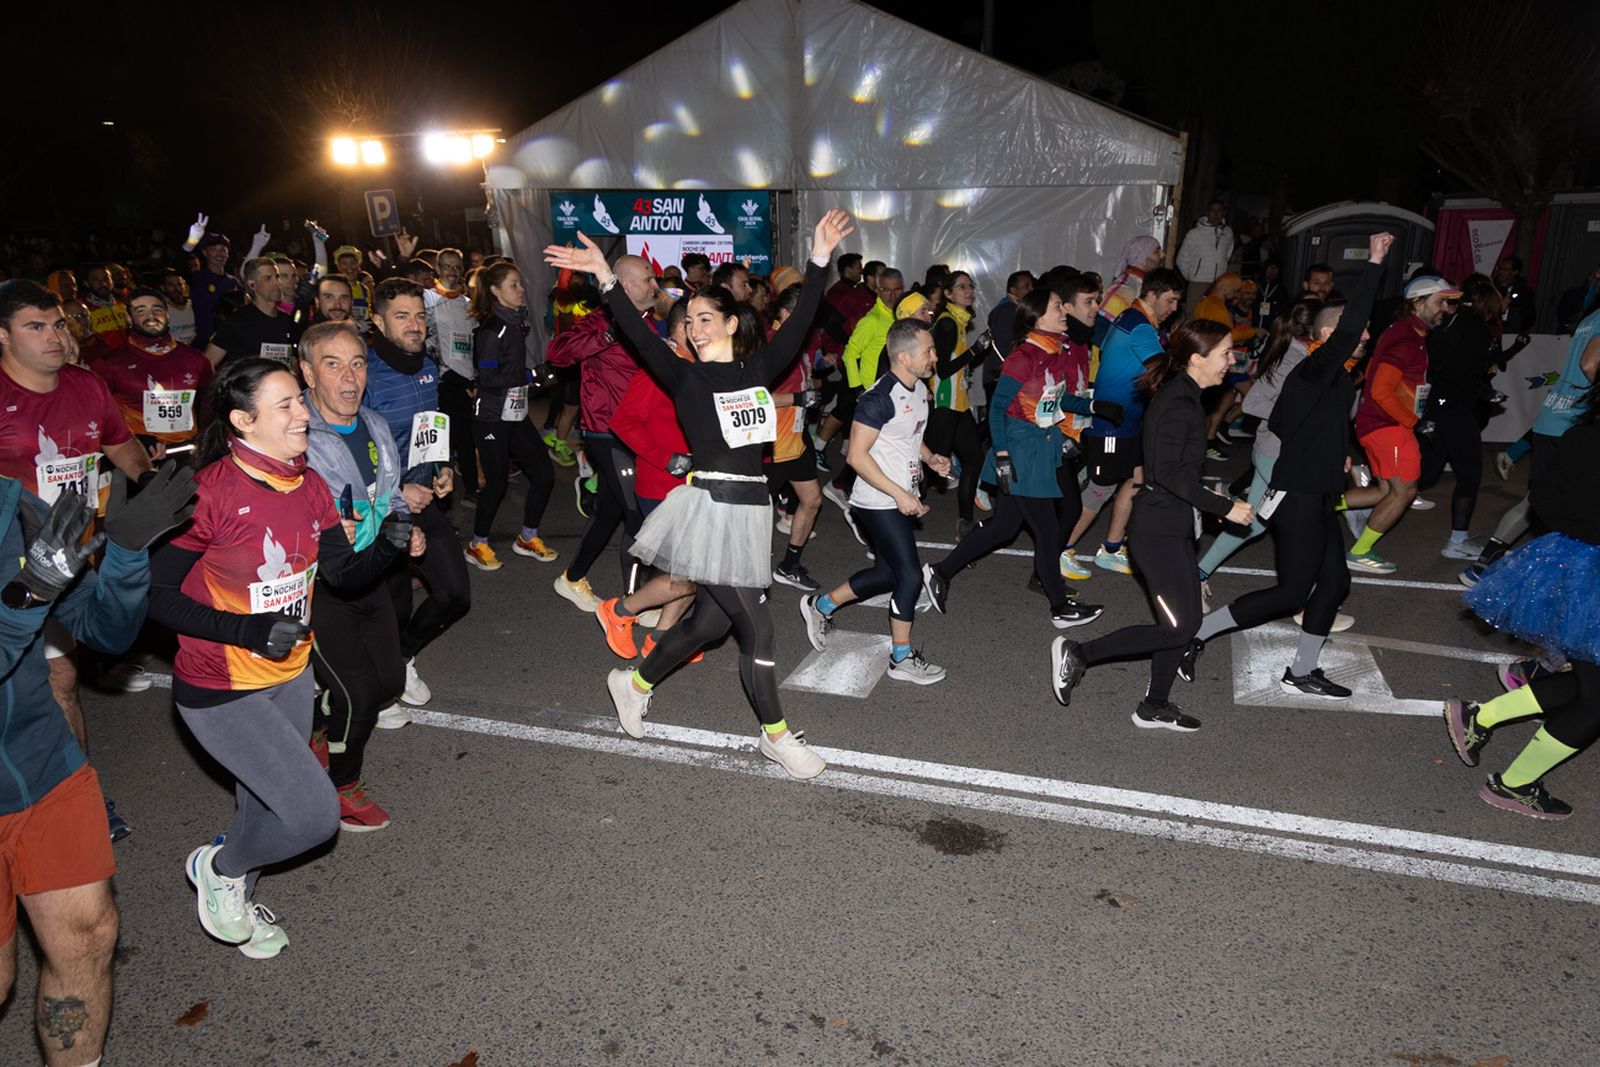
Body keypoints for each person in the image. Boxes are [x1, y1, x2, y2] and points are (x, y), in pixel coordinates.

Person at [544, 210, 856, 780]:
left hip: (751, 509)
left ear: (734, 324)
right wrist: (603, 277)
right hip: (710, 507)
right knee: (757, 627)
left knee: (708, 624)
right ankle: (777, 736)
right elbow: (638, 334)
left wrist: (817, 261)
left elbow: (801, 320)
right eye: (690, 320)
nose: (697, 326)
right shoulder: (684, 376)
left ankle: (632, 683)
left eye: (709, 317)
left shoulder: (759, 368)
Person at [149, 359, 411, 958]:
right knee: (312, 816)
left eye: (300, 400)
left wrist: (385, 553)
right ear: (243, 421)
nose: (303, 414)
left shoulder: (310, 483)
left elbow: (340, 574)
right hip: (220, 686)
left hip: (290, 674)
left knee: (261, 799)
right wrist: (245, 629)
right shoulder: (208, 491)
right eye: (288, 405)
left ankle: (235, 889)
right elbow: (154, 596)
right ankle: (219, 867)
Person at [0, 459, 193, 1066]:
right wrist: (26, 597)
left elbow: (104, 631)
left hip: (40, 761)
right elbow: (26, 604)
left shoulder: (12, 505)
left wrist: (128, 556)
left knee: (87, 936)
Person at [1180, 234, 1395, 702]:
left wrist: (1335, 453)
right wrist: (1374, 262)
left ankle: (1302, 669)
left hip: (1318, 491)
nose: (1365, 335)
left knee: (1335, 581)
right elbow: (1349, 326)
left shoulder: (1331, 376)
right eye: (1356, 332)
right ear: (1327, 336)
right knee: (1292, 592)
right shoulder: (1315, 368)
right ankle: (1194, 634)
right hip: (1297, 493)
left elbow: (1287, 419)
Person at [0, 279, 156, 838]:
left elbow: (119, 444)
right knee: (44, 681)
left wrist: (150, 483)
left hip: (72, 564)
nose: (53, 336)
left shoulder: (87, 386)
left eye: (58, 324)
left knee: (59, 679)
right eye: (35, 327)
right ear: (2, 335)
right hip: (11, 569)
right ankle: (62, 799)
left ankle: (76, 795)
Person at [1051, 320, 1251, 730]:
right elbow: (1168, 474)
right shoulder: (1179, 402)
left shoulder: (1186, 395)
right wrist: (1223, 506)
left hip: (1173, 524)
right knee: (1178, 628)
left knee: (1183, 624)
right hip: (1156, 529)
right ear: (1197, 358)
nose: (1231, 362)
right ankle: (1078, 653)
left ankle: (1154, 706)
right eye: (1225, 354)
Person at [1445, 378, 1600, 819]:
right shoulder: (1583, 436)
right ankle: (1514, 783)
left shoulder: (1580, 434)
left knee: (1588, 683)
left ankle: (1482, 717)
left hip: (1571, 565)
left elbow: (1544, 500)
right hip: (1591, 577)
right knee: (1595, 698)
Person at [299, 322, 426, 832]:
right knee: (355, 690)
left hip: (372, 572)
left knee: (389, 681)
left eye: (357, 363)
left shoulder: (373, 424)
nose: (349, 377)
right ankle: (342, 787)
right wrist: (326, 526)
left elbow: (388, 494)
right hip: (321, 584)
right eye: (333, 364)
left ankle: (317, 730)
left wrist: (405, 527)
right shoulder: (294, 433)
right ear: (307, 372)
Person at [921, 287, 1109, 629]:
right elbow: (996, 411)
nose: (1063, 312)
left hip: (1042, 448)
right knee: (1048, 530)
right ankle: (1059, 606)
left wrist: (1094, 406)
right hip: (1021, 454)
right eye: (1056, 306)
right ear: (1037, 317)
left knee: (1004, 528)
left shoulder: (1053, 353)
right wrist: (1004, 456)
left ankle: (939, 571)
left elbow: (1057, 401)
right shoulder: (1024, 357)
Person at [800, 318, 950, 683]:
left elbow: (908, 434)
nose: (934, 356)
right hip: (876, 500)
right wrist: (899, 495)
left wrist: (930, 458)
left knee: (886, 573)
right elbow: (855, 456)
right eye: (927, 351)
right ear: (903, 356)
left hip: (899, 494)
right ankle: (900, 658)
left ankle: (820, 606)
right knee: (910, 576)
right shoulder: (877, 399)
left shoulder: (916, 388)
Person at [361, 277, 473, 721]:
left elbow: (430, 425)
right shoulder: (363, 373)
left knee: (455, 596)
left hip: (424, 500)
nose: (414, 325)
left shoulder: (428, 364)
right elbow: (347, 450)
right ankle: (382, 690)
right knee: (392, 605)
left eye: (419, 316)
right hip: (380, 508)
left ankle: (400, 658)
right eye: (401, 316)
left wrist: (442, 467)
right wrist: (393, 493)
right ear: (377, 320)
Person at [546, 255, 658, 612]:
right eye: (648, 279)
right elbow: (558, 353)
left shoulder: (649, 322)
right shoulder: (600, 321)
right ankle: (633, 604)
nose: (655, 286)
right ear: (624, 285)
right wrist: (607, 336)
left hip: (638, 432)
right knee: (636, 515)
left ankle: (572, 578)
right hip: (606, 432)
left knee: (610, 513)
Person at [1462, 306, 1600, 586]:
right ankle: (1552, 579)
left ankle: (1483, 564)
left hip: (1554, 416)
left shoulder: (1591, 316)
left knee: (1538, 500)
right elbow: (1589, 364)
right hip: (1577, 421)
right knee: (1573, 510)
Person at [1065, 267, 1186, 576]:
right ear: (1153, 294)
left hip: (1128, 421)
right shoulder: (1141, 328)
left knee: (1137, 480)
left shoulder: (1134, 317)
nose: (1174, 309)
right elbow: (1162, 372)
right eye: (1171, 301)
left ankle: (1111, 548)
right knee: (1099, 490)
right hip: (1112, 425)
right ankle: (1060, 550)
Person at [597, 297, 699, 660]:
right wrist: (665, 458)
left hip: (694, 487)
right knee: (684, 576)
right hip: (662, 486)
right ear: (682, 327)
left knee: (693, 574)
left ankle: (661, 638)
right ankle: (619, 611)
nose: (709, 330)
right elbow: (623, 423)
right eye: (700, 322)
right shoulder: (660, 369)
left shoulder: (696, 366)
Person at [1347, 274, 1461, 573]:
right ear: (1418, 303)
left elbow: (1373, 371)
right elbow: (1380, 389)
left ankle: (1315, 507)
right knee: (1405, 491)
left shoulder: (1407, 332)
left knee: (1384, 492)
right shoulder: (1405, 337)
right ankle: (1359, 552)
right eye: (1440, 302)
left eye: (1448, 303)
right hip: (1389, 427)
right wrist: (1415, 422)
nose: (1446, 309)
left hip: (1379, 424)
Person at [464, 263, 557, 569]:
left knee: (544, 473)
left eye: (520, 284)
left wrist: (537, 377)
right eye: (514, 285)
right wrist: (531, 375)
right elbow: (488, 380)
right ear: (495, 290)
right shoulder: (493, 329)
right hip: (491, 416)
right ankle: (477, 545)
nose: (521, 290)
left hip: (514, 412)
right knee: (496, 482)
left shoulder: (515, 323)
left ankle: (527, 537)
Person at [1420, 276, 1503, 559]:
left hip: (1434, 404)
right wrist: (1486, 392)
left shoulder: (1447, 323)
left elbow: (1439, 365)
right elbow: (1464, 374)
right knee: (1469, 475)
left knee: (1425, 474)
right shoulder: (1477, 329)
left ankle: (1367, 498)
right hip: (1455, 408)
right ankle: (1456, 541)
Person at [90, 287, 215, 456]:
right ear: (129, 318)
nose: (151, 316)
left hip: (189, 454)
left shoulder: (195, 359)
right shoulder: (110, 364)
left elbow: (209, 404)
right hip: (140, 458)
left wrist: (205, 440)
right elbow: (99, 416)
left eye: (157, 309)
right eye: (141, 311)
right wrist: (136, 440)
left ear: (167, 315)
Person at [766, 281, 827, 591]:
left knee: (812, 500)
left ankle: (789, 565)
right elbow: (757, 396)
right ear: (786, 313)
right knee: (755, 516)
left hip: (795, 438)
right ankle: (744, 575)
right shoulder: (772, 344)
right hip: (770, 443)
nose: (810, 323)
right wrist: (800, 399)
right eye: (804, 315)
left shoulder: (799, 341)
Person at [924, 271, 986, 536]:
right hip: (944, 406)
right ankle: (891, 511)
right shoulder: (948, 323)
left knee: (974, 459)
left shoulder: (958, 322)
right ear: (948, 295)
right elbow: (944, 369)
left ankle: (964, 521)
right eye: (961, 287)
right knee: (928, 468)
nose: (969, 290)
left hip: (958, 405)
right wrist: (975, 351)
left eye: (970, 286)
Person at [203, 257, 302, 369]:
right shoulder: (238, 321)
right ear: (252, 285)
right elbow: (207, 363)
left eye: (277, 277)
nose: (277, 283)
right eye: (268, 278)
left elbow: (293, 358)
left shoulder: (286, 320)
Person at [1176, 199, 1235, 307]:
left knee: (1214, 318)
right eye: (1212, 211)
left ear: (1224, 213)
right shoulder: (1194, 234)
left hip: (1219, 285)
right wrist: (1192, 276)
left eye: (1219, 211)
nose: (1216, 214)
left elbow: (1228, 254)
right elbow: (1182, 259)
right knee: (1194, 316)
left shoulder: (1228, 232)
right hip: (1198, 284)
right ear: (1207, 213)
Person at [987, 270, 1036, 372]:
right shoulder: (1007, 310)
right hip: (1003, 372)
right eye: (1026, 286)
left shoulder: (1015, 309)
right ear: (1013, 290)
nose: (1031, 289)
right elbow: (1004, 346)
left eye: (1032, 285)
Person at [1493, 255, 1535, 335]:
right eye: (1500, 269)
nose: (1500, 272)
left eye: (1505, 270)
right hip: (1492, 330)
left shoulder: (1523, 292)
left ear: (1514, 272)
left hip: (1512, 332)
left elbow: (1530, 316)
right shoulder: (1492, 287)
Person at [160, 269, 198, 345]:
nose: (176, 288)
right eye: (171, 285)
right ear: (163, 288)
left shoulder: (195, 305)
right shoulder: (161, 310)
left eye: (179, 284)